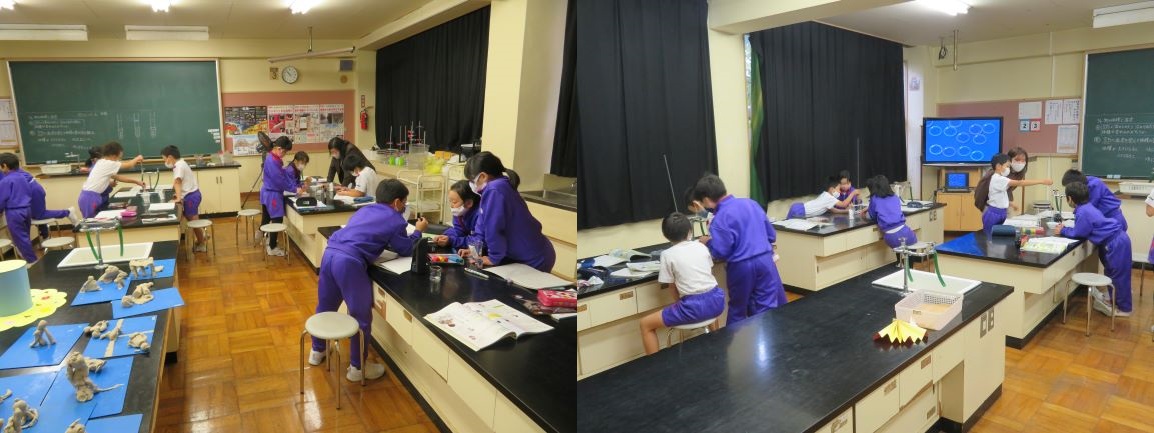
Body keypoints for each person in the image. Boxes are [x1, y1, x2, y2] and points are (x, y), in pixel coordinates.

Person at [308, 179, 428, 381]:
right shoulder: (396, 219)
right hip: (349, 263)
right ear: (397, 202)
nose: (404, 206)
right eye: (404, 202)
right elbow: (406, 249)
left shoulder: (364, 210)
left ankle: (317, 350)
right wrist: (418, 231)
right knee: (360, 318)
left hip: (330, 254)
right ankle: (357, 368)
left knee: (326, 306)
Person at [691, 174, 787, 325]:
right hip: (766, 261)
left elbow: (721, 251)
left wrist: (708, 242)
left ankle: (736, 340)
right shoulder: (751, 203)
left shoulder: (720, 218)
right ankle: (770, 338)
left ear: (707, 200)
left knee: (738, 310)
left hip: (741, 266)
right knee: (767, 306)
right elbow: (771, 235)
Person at [639, 212, 726, 355]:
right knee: (708, 308)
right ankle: (717, 349)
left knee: (645, 324)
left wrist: (679, 303)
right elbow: (708, 272)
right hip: (717, 302)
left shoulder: (667, 254)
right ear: (690, 231)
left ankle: (654, 366)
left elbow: (671, 286)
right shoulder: (701, 247)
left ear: (665, 235)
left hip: (693, 308)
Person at [459, 151, 555, 272]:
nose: (471, 184)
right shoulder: (492, 189)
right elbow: (482, 226)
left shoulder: (495, 189)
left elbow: (494, 228)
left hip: (533, 257)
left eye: (472, 180)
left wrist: (493, 258)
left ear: (483, 176)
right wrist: (474, 250)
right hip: (525, 254)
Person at [1057, 182, 1132, 317]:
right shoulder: (1088, 207)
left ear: (1070, 198)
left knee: (1118, 276)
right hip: (1117, 240)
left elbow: (1079, 233)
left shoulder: (1083, 211)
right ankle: (1115, 301)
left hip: (1115, 242)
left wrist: (1063, 230)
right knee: (1113, 273)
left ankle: (1125, 309)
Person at [981, 153, 1052, 235]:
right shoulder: (998, 179)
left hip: (1001, 213)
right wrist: (1042, 181)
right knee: (990, 237)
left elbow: (998, 197)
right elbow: (1020, 182)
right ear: (998, 166)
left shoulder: (1000, 179)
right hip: (994, 214)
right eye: (1007, 166)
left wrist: (1010, 204)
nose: (1008, 169)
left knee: (998, 238)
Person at [77, 141, 145, 218]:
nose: (118, 160)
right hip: (90, 198)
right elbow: (129, 165)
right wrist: (138, 158)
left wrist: (136, 181)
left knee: (96, 221)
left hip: (90, 196)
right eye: (119, 158)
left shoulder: (102, 162)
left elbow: (118, 177)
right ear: (113, 155)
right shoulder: (108, 163)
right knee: (91, 222)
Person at [161, 146, 206, 252]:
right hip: (193, 195)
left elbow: (178, 182)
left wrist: (178, 198)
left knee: (193, 222)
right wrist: (177, 194)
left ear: (170, 157)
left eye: (164, 159)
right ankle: (202, 235)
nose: (165, 162)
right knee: (191, 219)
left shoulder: (178, 166)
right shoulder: (181, 163)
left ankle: (202, 244)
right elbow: (177, 182)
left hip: (191, 197)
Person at [0, 153, 39, 262]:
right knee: (25, 237)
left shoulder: (5, 181)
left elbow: (2, 199)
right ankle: (31, 259)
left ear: (4, 165)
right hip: (27, 210)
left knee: (21, 240)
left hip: (14, 213)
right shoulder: (23, 176)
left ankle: (32, 262)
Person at [260, 137, 295, 256]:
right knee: (277, 219)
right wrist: (294, 189)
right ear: (279, 149)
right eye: (284, 152)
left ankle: (266, 240)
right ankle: (272, 247)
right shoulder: (272, 161)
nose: (284, 154)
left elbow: (281, 173)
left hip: (267, 192)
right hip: (272, 194)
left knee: (266, 217)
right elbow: (279, 181)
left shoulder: (273, 157)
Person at [1061, 169, 1127, 231]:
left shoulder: (1094, 185)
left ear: (1075, 183)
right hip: (1107, 220)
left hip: (1114, 220)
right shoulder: (1085, 182)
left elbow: (1087, 210)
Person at [862, 175, 916, 248]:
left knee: (900, 250)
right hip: (906, 232)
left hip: (891, 236)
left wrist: (864, 213)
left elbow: (872, 216)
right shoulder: (895, 197)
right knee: (911, 251)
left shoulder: (874, 198)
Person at [23, 169, 78, 239]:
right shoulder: (14, 171)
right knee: (36, 215)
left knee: (39, 215)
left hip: (34, 191)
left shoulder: (12, 174)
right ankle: (45, 236)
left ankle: (68, 212)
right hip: (32, 190)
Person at [975, 146, 1031, 213]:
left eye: (1023, 160)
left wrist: (1010, 202)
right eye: (1017, 160)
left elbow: (1007, 189)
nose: (1020, 163)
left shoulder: (1019, 173)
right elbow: (981, 192)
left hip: (1002, 204)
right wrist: (984, 208)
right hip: (990, 205)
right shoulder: (996, 173)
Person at [435, 180, 480, 249]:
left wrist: (452, 241)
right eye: (450, 201)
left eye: (454, 202)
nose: (451, 206)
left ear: (469, 203)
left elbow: (478, 241)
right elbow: (458, 230)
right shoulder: (460, 213)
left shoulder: (480, 215)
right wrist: (446, 237)